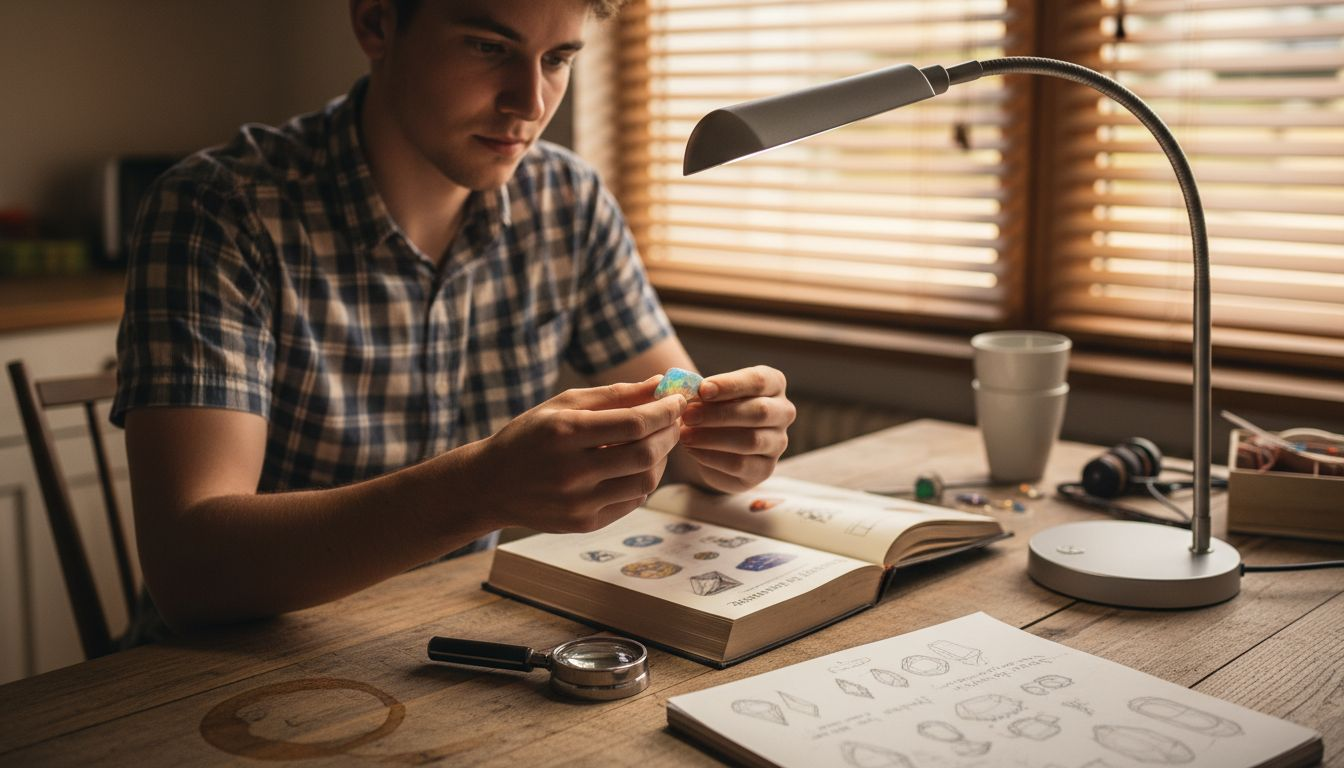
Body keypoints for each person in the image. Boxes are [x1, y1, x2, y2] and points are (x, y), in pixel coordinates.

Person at [112, 0, 795, 631]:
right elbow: (188, 565)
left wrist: (732, 441)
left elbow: (684, 418)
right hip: (221, 676)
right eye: (486, 46)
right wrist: (480, 489)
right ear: (376, 23)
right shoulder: (219, 208)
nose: (529, 103)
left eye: (557, 59)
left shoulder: (567, 200)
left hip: (442, 637)